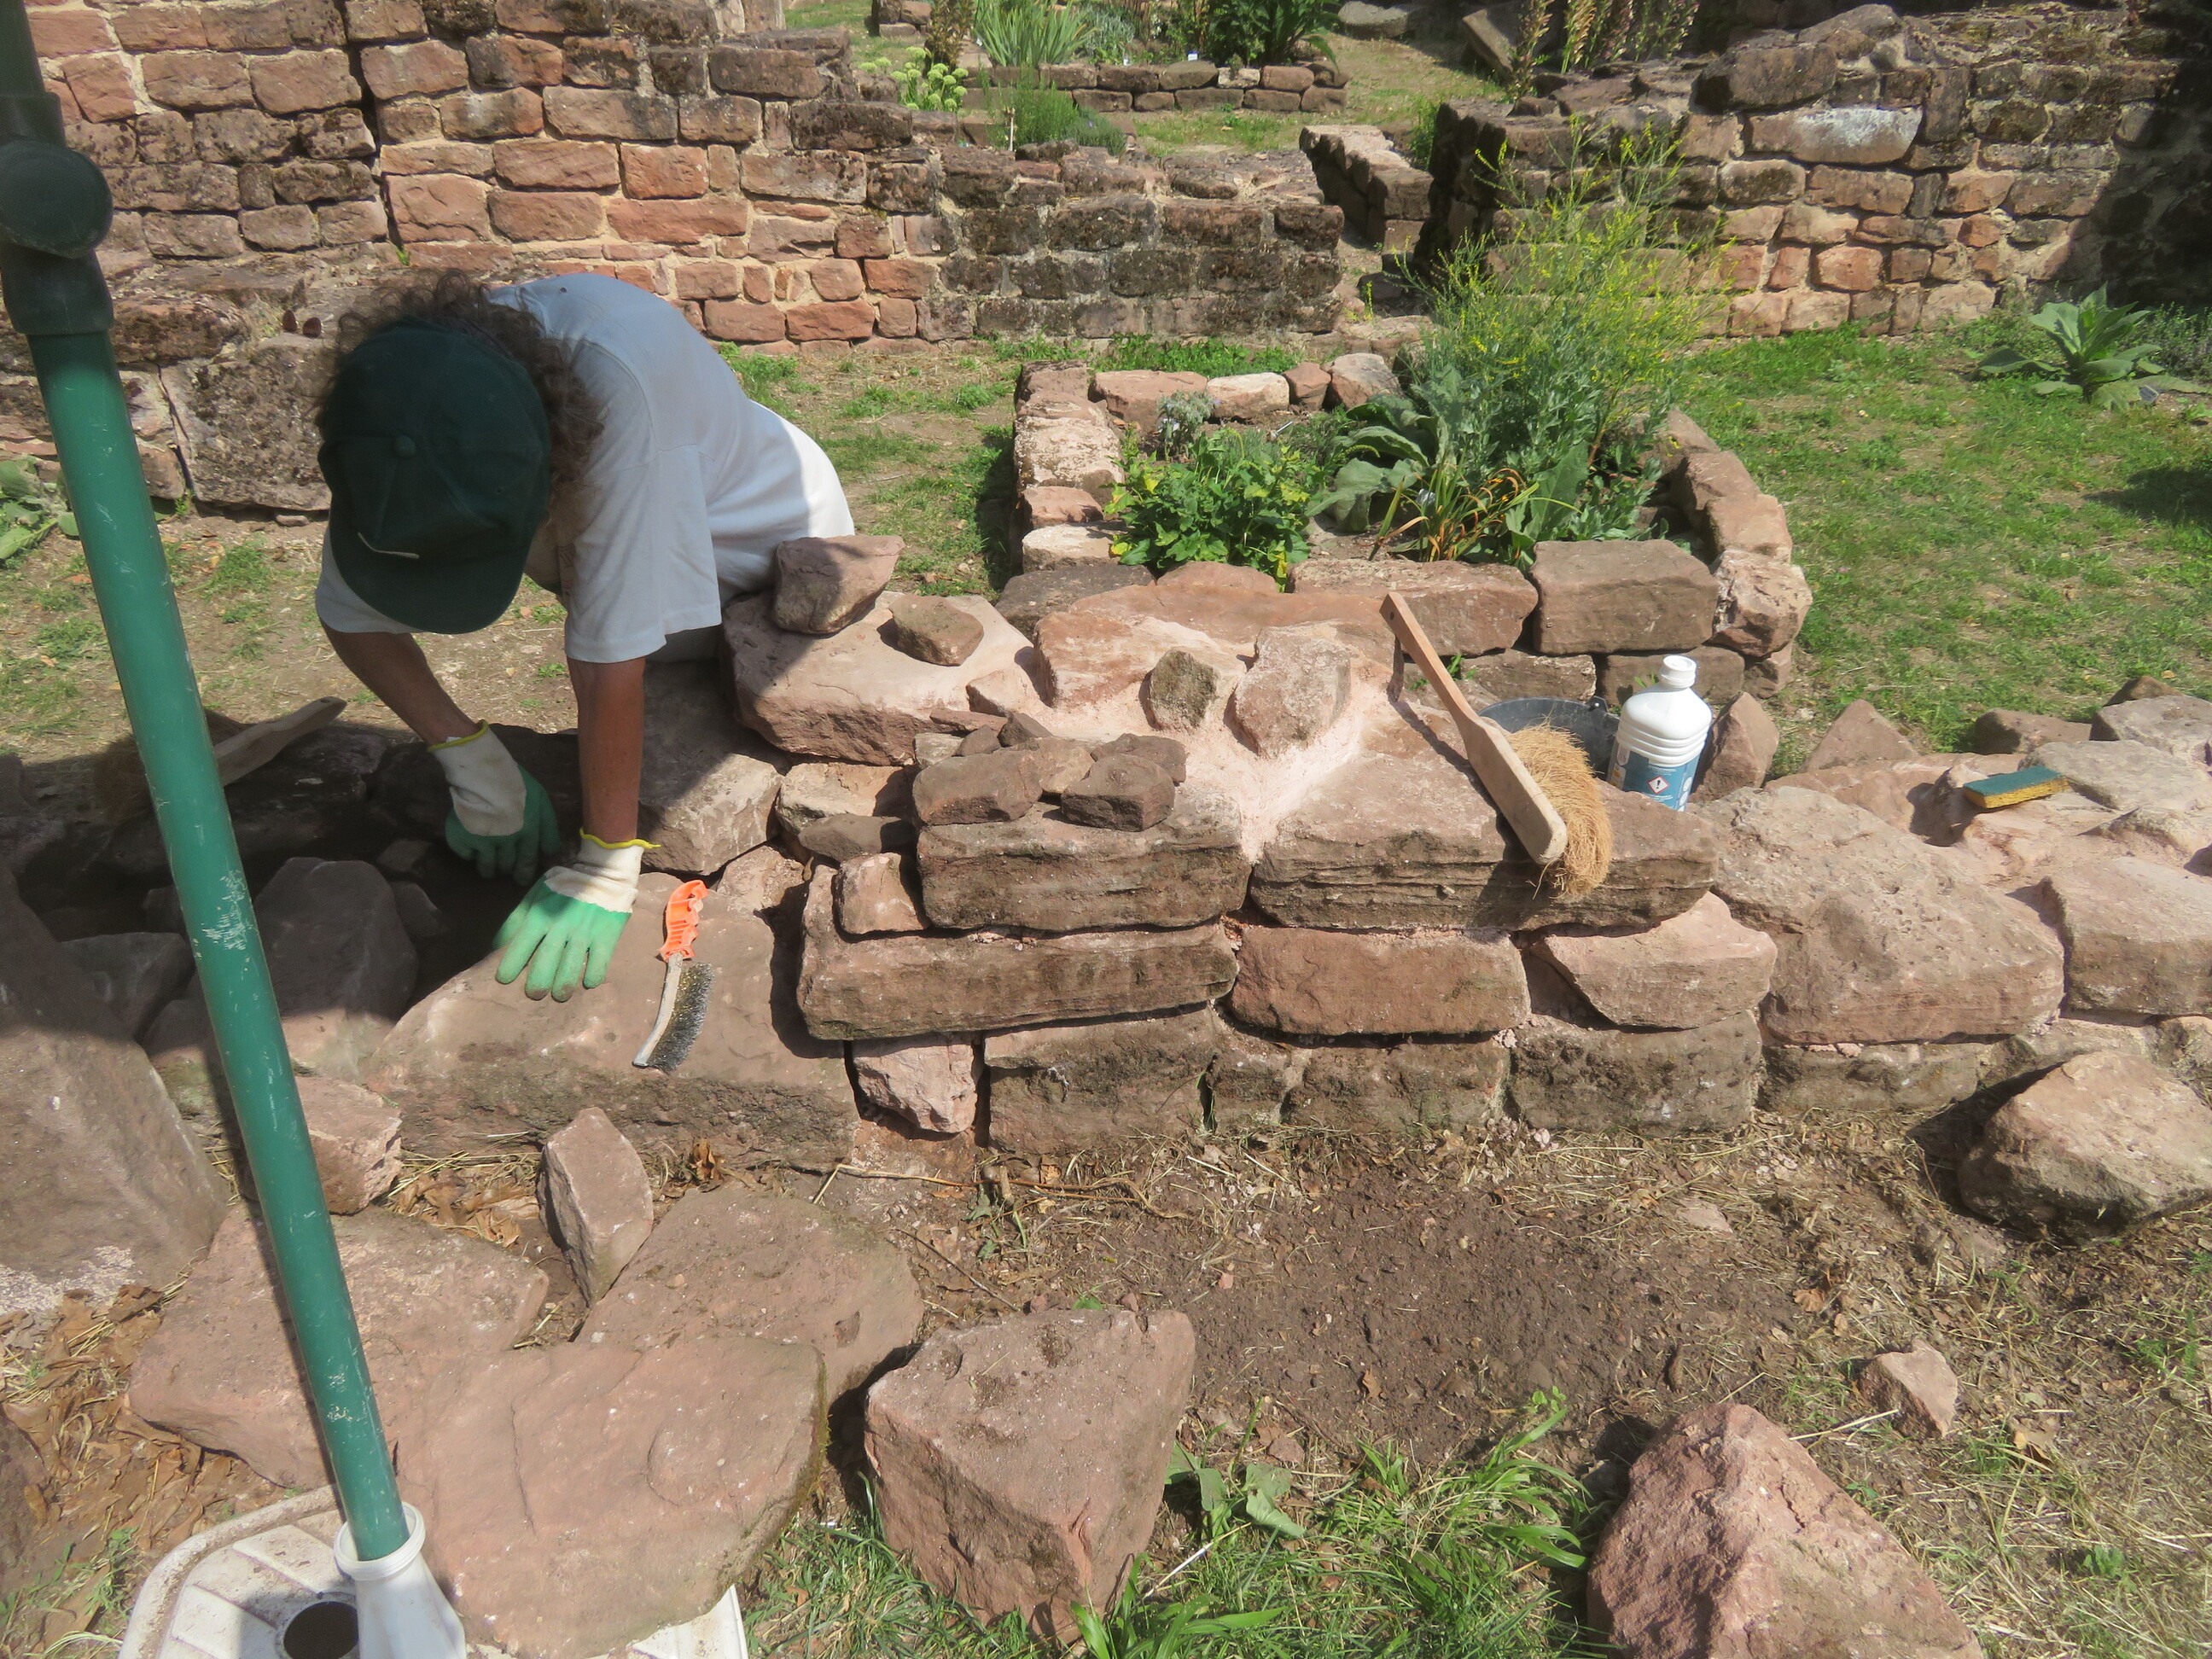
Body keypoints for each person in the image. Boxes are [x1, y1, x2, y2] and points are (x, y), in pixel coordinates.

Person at [314, 271, 852, 1001]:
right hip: (630, 488)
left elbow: (607, 663)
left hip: (755, 545)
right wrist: (468, 756)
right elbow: (348, 610)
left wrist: (604, 862)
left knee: (685, 679)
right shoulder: (401, 399)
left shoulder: (620, 398)